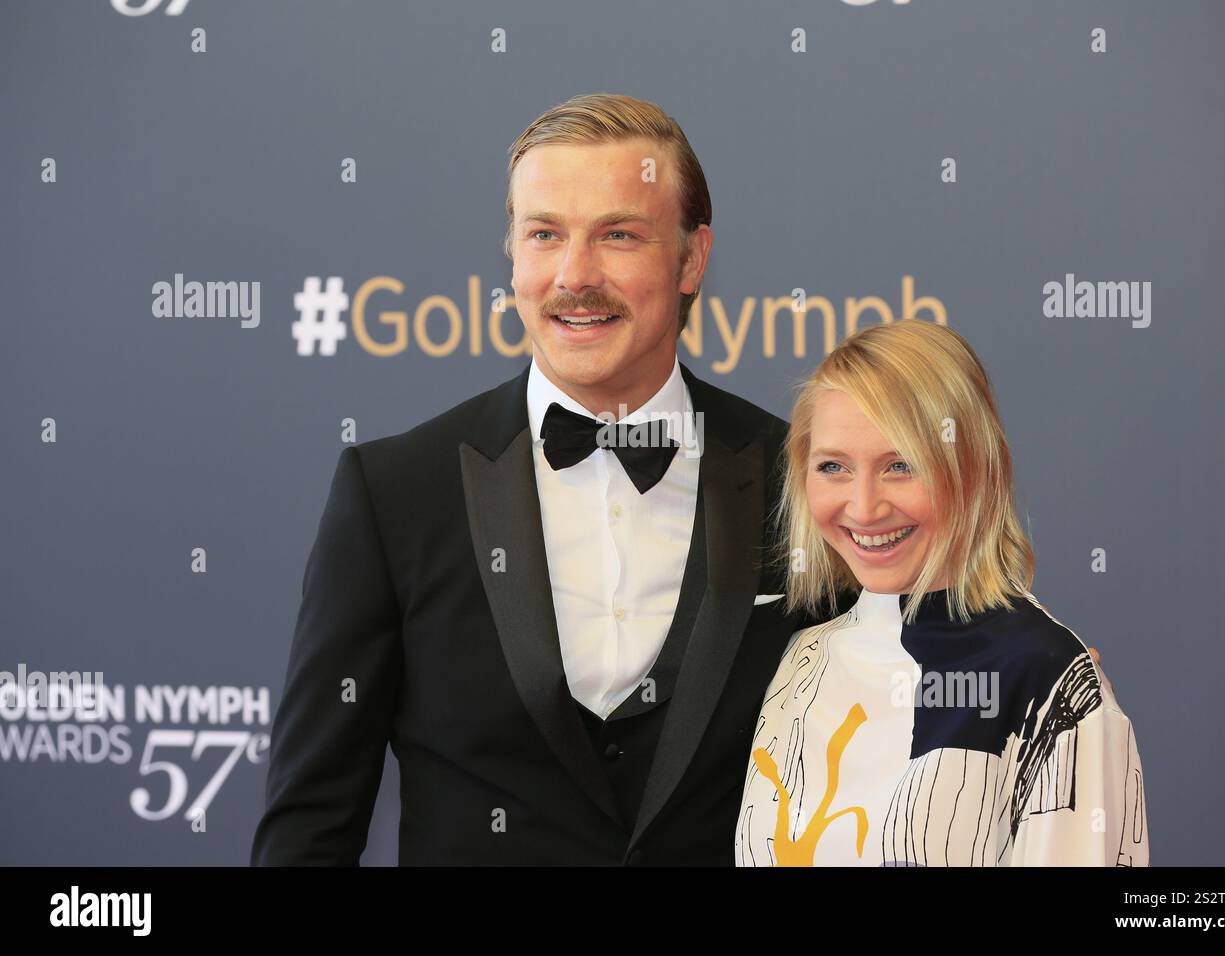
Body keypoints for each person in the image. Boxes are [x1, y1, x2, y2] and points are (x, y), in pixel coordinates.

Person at [250, 92, 826, 865]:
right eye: (544, 235)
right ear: (512, 257)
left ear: (692, 260)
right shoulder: (393, 494)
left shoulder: (802, 481)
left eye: (618, 235)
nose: (575, 276)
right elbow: (310, 826)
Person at [734, 320, 1148, 866]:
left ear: (972, 468)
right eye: (833, 466)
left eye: (900, 465)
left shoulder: (1048, 680)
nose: (864, 506)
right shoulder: (794, 657)